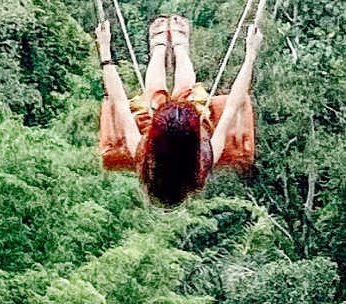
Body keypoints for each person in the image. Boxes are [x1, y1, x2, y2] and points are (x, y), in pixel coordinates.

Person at [96, 13, 261, 206]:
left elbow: (121, 105)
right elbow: (232, 106)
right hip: (181, 133)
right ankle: (180, 48)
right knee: (187, 93)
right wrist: (250, 54)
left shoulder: (143, 155)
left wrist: (105, 52)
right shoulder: (204, 157)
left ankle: (158, 49)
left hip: (156, 132)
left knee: (153, 98)